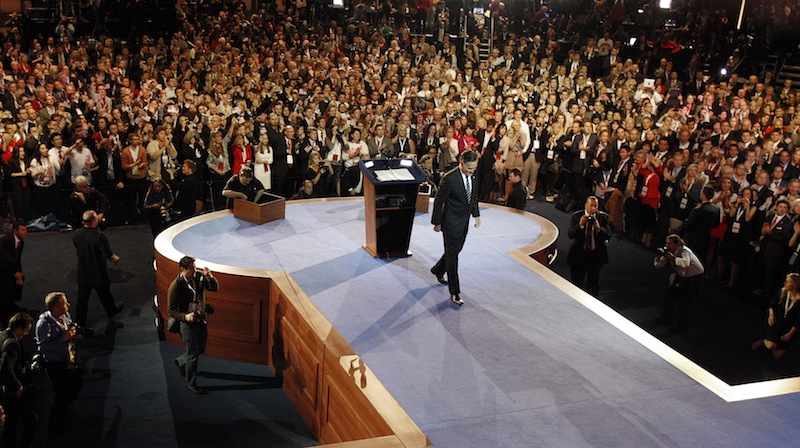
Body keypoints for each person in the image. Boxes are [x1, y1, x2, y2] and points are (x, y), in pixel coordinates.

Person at [431, 150, 481, 306]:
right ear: (461, 162)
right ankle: (455, 292)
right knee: (453, 258)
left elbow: (472, 197)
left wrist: (476, 215)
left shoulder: (473, 175)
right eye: (469, 168)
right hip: (450, 222)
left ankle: (438, 270)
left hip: (464, 221)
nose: (472, 171)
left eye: (474, 168)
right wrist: (437, 223)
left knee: (455, 251)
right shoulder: (449, 179)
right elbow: (439, 201)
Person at [167, 256, 218, 394]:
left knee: (201, 349)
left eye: (195, 267)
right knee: (193, 353)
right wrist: (185, 316)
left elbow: (214, 288)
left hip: (200, 319)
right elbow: (171, 311)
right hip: (187, 323)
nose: (194, 270)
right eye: (191, 268)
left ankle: (181, 361)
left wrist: (210, 277)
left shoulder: (199, 277)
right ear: (183, 269)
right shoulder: (176, 286)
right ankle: (191, 382)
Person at [35, 292, 84, 422]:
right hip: (56, 364)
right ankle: (56, 422)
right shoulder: (44, 325)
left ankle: (63, 411)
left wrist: (74, 334)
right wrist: (63, 339)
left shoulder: (65, 315)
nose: (68, 305)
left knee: (77, 383)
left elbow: (70, 326)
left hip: (69, 358)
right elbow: (42, 348)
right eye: (64, 303)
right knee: (61, 393)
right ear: (56, 308)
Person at [72, 210, 123, 326]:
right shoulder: (99, 236)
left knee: (82, 299)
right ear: (94, 221)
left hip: (83, 272)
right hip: (98, 273)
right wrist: (116, 259)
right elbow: (109, 255)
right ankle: (111, 311)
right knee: (105, 294)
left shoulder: (76, 234)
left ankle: (80, 322)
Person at [654, 234, 705, 334]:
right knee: (669, 296)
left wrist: (673, 258)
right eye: (666, 243)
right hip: (681, 276)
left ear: (677, 244)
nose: (667, 246)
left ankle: (683, 328)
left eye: (670, 244)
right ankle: (667, 318)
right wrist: (659, 258)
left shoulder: (684, 251)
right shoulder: (670, 251)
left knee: (684, 304)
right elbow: (658, 265)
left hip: (692, 279)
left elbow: (686, 263)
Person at [0, 312, 37, 448]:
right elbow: (6, 368)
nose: (26, 334)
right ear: (19, 329)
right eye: (26, 330)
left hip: (3, 389)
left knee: (9, 425)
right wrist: (18, 386)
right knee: (29, 419)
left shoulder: (1, 335)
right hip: (11, 391)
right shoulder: (13, 345)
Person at [567, 196, 612, 296]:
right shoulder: (576, 216)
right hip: (579, 256)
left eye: (596, 206)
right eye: (591, 206)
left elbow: (608, 235)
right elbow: (570, 234)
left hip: (595, 257)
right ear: (585, 206)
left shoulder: (603, 217)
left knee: (594, 286)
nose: (594, 208)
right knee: (576, 284)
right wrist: (580, 225)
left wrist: (598, 228)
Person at [752, 273, 800, 360]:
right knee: (771, 346)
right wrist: (771, 314)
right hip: (777, 323)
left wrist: (789, 334)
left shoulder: (798, 300)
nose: (785, 283)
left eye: (788, 282)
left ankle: (776, 344)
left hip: (789, 328)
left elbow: (798, 321)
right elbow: (772, 304)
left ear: (794, 284)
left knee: (776, 356)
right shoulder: (783, 292)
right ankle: (763, 342)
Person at [0, 220, 26, 325]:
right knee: (7, 283)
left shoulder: (21, 242)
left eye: (26, 229)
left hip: (9, 268)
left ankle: (11, 304)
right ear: (15, 230)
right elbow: (3, 260)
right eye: (22, 229)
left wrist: (19, 273)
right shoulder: (6, 241)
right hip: (2, 269)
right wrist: (14, 274)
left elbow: (16, 260)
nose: (25, 232)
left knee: (20, 279)